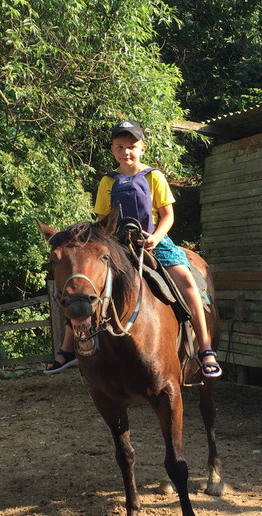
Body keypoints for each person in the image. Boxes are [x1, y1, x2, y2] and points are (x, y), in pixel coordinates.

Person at [45, 120, 222, 379]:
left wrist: (156, 238)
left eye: (131, 146)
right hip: (115, 244)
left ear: (142, 148)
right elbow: (102, 220)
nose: (125, 151)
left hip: (152, 240)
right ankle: (68, 348)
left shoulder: (154, 176)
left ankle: (205, 348)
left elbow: (168, 215)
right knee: (82, 286)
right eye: (120, 146)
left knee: (186, 280)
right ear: (113, 150)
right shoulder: (107, 181)